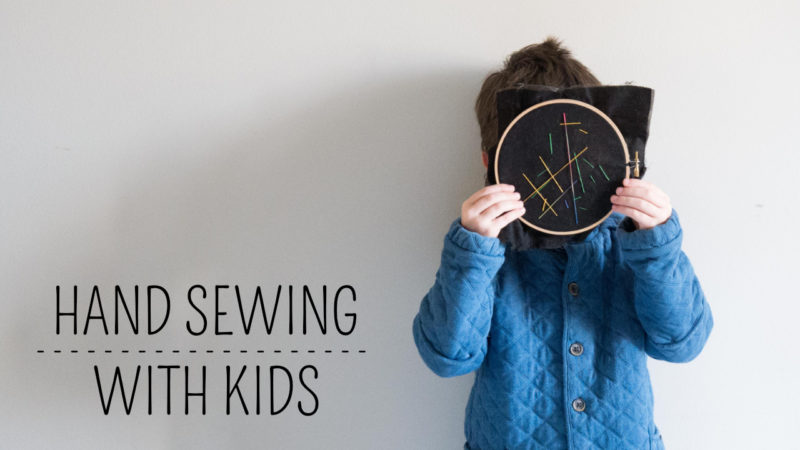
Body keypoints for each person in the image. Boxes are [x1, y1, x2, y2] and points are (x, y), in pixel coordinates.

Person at [411, 37, 714, 450]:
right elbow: (447, 356)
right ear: (491, 159)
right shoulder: (484, 247)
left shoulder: (632, 237)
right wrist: (472, 253)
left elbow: (682, 343)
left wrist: (657, 245)